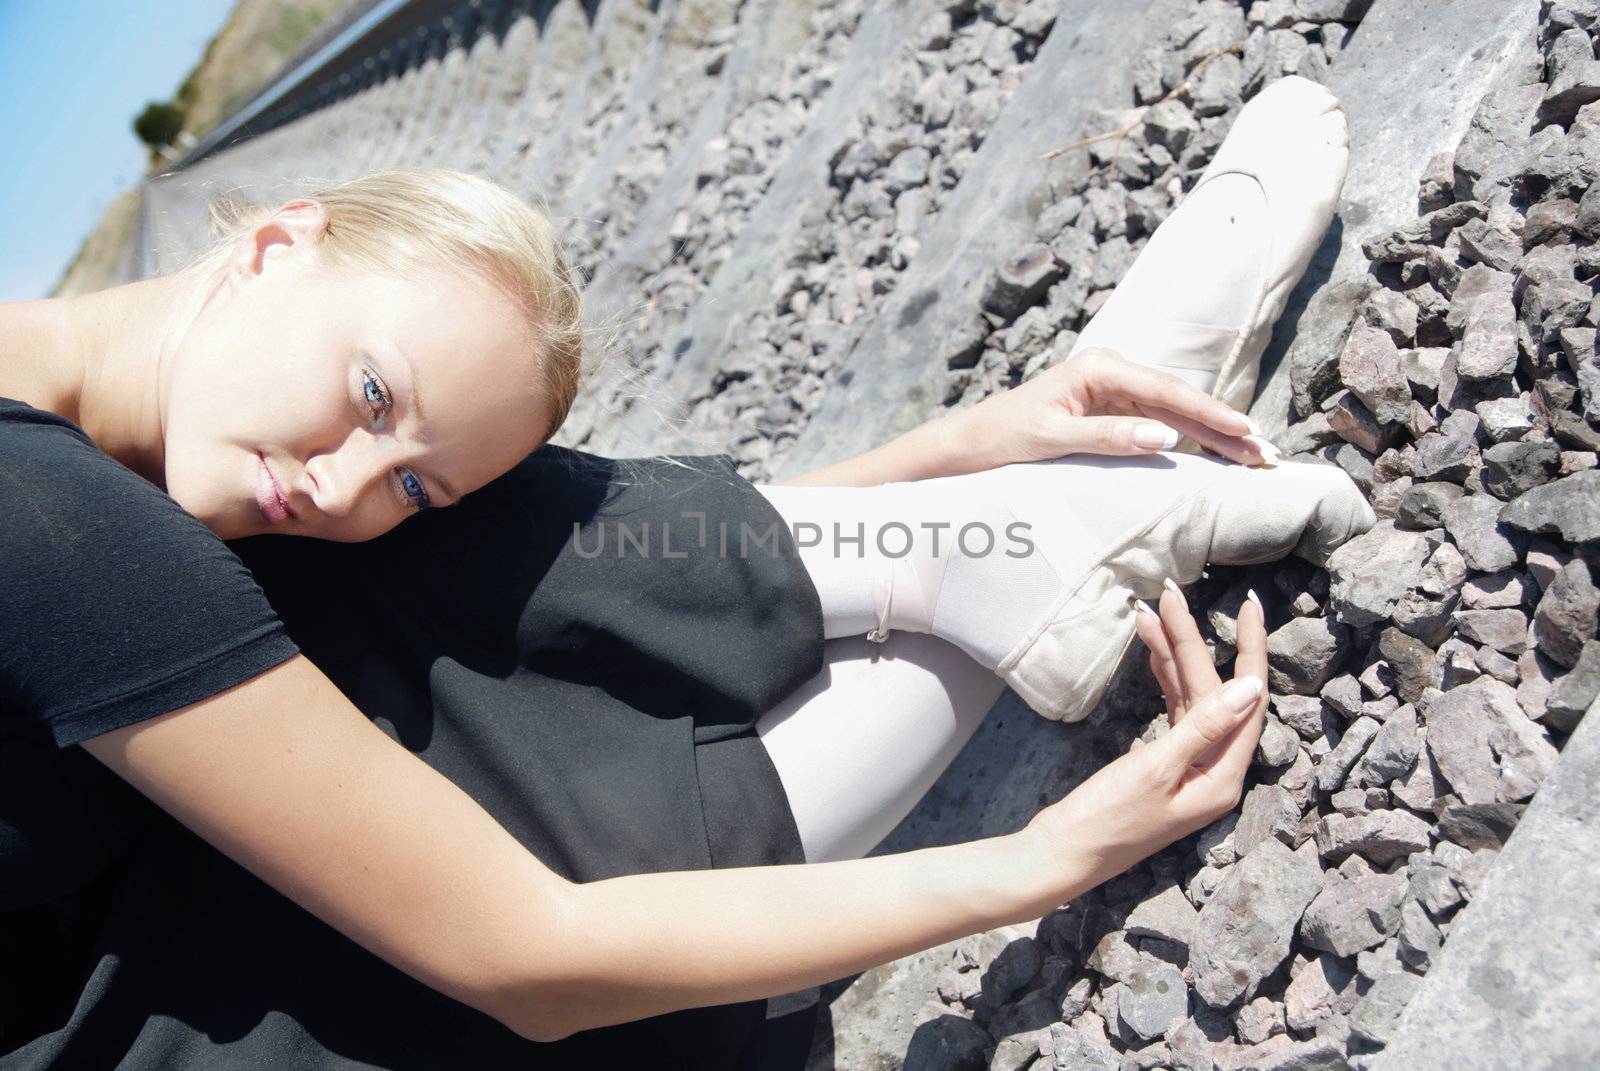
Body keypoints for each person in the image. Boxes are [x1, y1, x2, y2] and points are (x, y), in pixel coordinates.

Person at [0, 76, 1368, 1067]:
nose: (345, 474)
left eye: (389, 440)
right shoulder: (44, 518)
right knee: (444, 847)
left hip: (106, 869)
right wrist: (1043, 859)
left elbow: (544, 537)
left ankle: (1003, 543)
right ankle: (1024, 548)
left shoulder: (114, 458)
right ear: (275, 239)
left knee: (438, 522)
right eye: (365, 388)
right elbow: (524, 955)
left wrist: (960, 445)